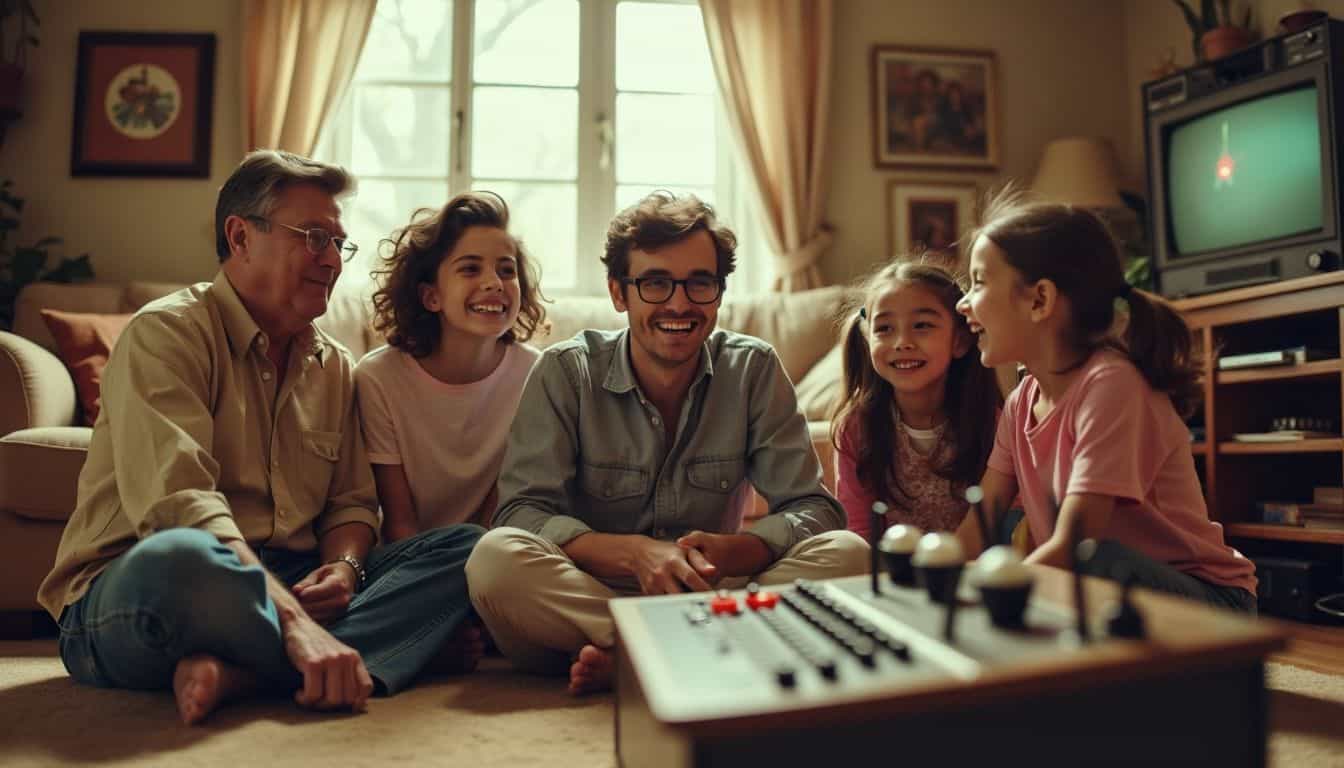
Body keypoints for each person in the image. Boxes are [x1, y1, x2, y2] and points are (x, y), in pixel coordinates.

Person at [37, 150, 485, 727]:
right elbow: (179, 506)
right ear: (241, 236)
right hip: (144, 582)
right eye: (314, 237)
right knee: (184, 556)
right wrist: (296, 624)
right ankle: (361, 650)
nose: (332, 260)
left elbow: (350, 504)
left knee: (467, 549)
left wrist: (345, 568)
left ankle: (242, 674)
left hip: (284, 580)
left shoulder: (336, 365)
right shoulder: (166, 333)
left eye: (338, 244)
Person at [465, 191, 868, 695]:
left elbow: (813, 510)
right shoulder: (566, 372)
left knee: (849, 554)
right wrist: (635, 555)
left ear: (719, 293)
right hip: (588, 594)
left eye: (700, 284)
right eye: (655, 283)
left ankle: (636, 659)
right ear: (619, 293)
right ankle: (698, 651)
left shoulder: (753, 368)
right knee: (494, 560)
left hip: (710, 592)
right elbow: (522, 514)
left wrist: (740, 550)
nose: (679, 304)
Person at [953, 189, 1257, 610]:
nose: (963, 303)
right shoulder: (1023, 399)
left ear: (1040, 300)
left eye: (979, 282)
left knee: (1090, 558)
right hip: (1109, 594)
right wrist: (926, 583)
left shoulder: (1112, 383)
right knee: (1009, 527)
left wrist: (978, 603)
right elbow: (981, 522)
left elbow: (1074, 545)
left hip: (1210, 600)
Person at [356, 192, 545, 543]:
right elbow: (399, 525)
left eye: (507, 270)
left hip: (491, 555)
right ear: (431, 296)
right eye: (470, 269)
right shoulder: (378, 378)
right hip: (406, 556)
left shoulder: (536, 372)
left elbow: (500, 517)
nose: (494, 283)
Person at [831, 260, 1001, 539]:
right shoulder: (856, 427)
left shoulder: (990, 422)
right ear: (867, 339)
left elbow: (1006, 519)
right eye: (884, 329)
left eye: (922, 325)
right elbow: (859, 528)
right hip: (889, 571)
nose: (902, 343)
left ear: (959, 340)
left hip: (972, 567)